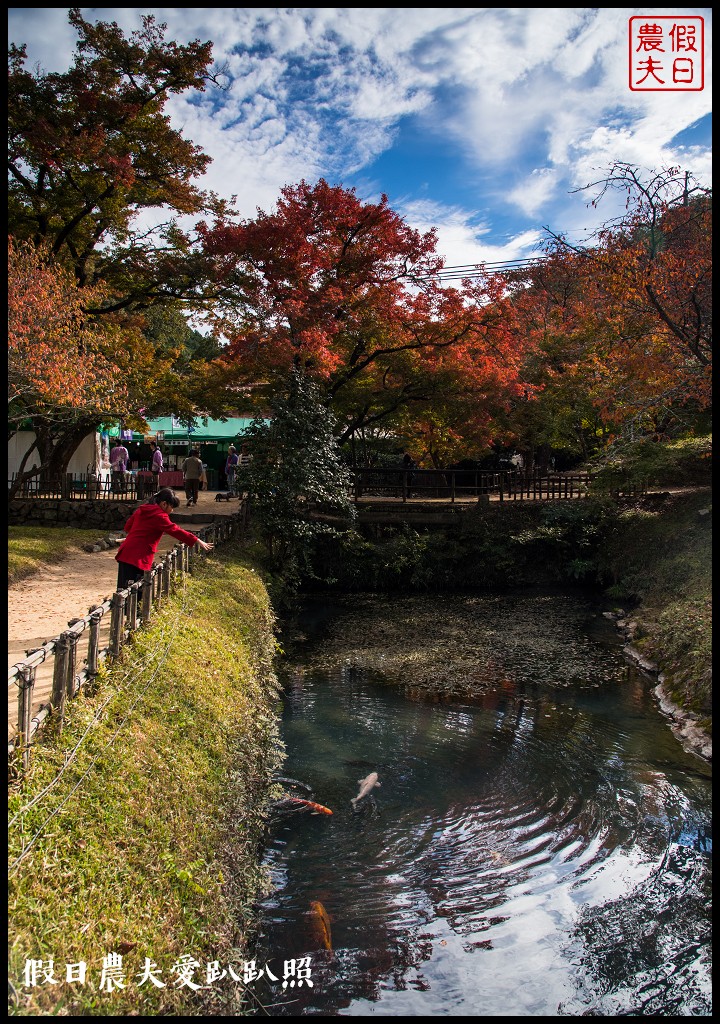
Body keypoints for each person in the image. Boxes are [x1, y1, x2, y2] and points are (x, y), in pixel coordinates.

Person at [115, 487, 213, 590]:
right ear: (164, 504)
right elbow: (175, 530)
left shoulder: (142, 509)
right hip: (139, 557)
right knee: (136, 592)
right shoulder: (160, 516)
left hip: (126, 553)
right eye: (171, 506)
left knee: (123, 589)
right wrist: (196, 540)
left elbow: (128, 526)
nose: (172, 510)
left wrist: (132, 537)